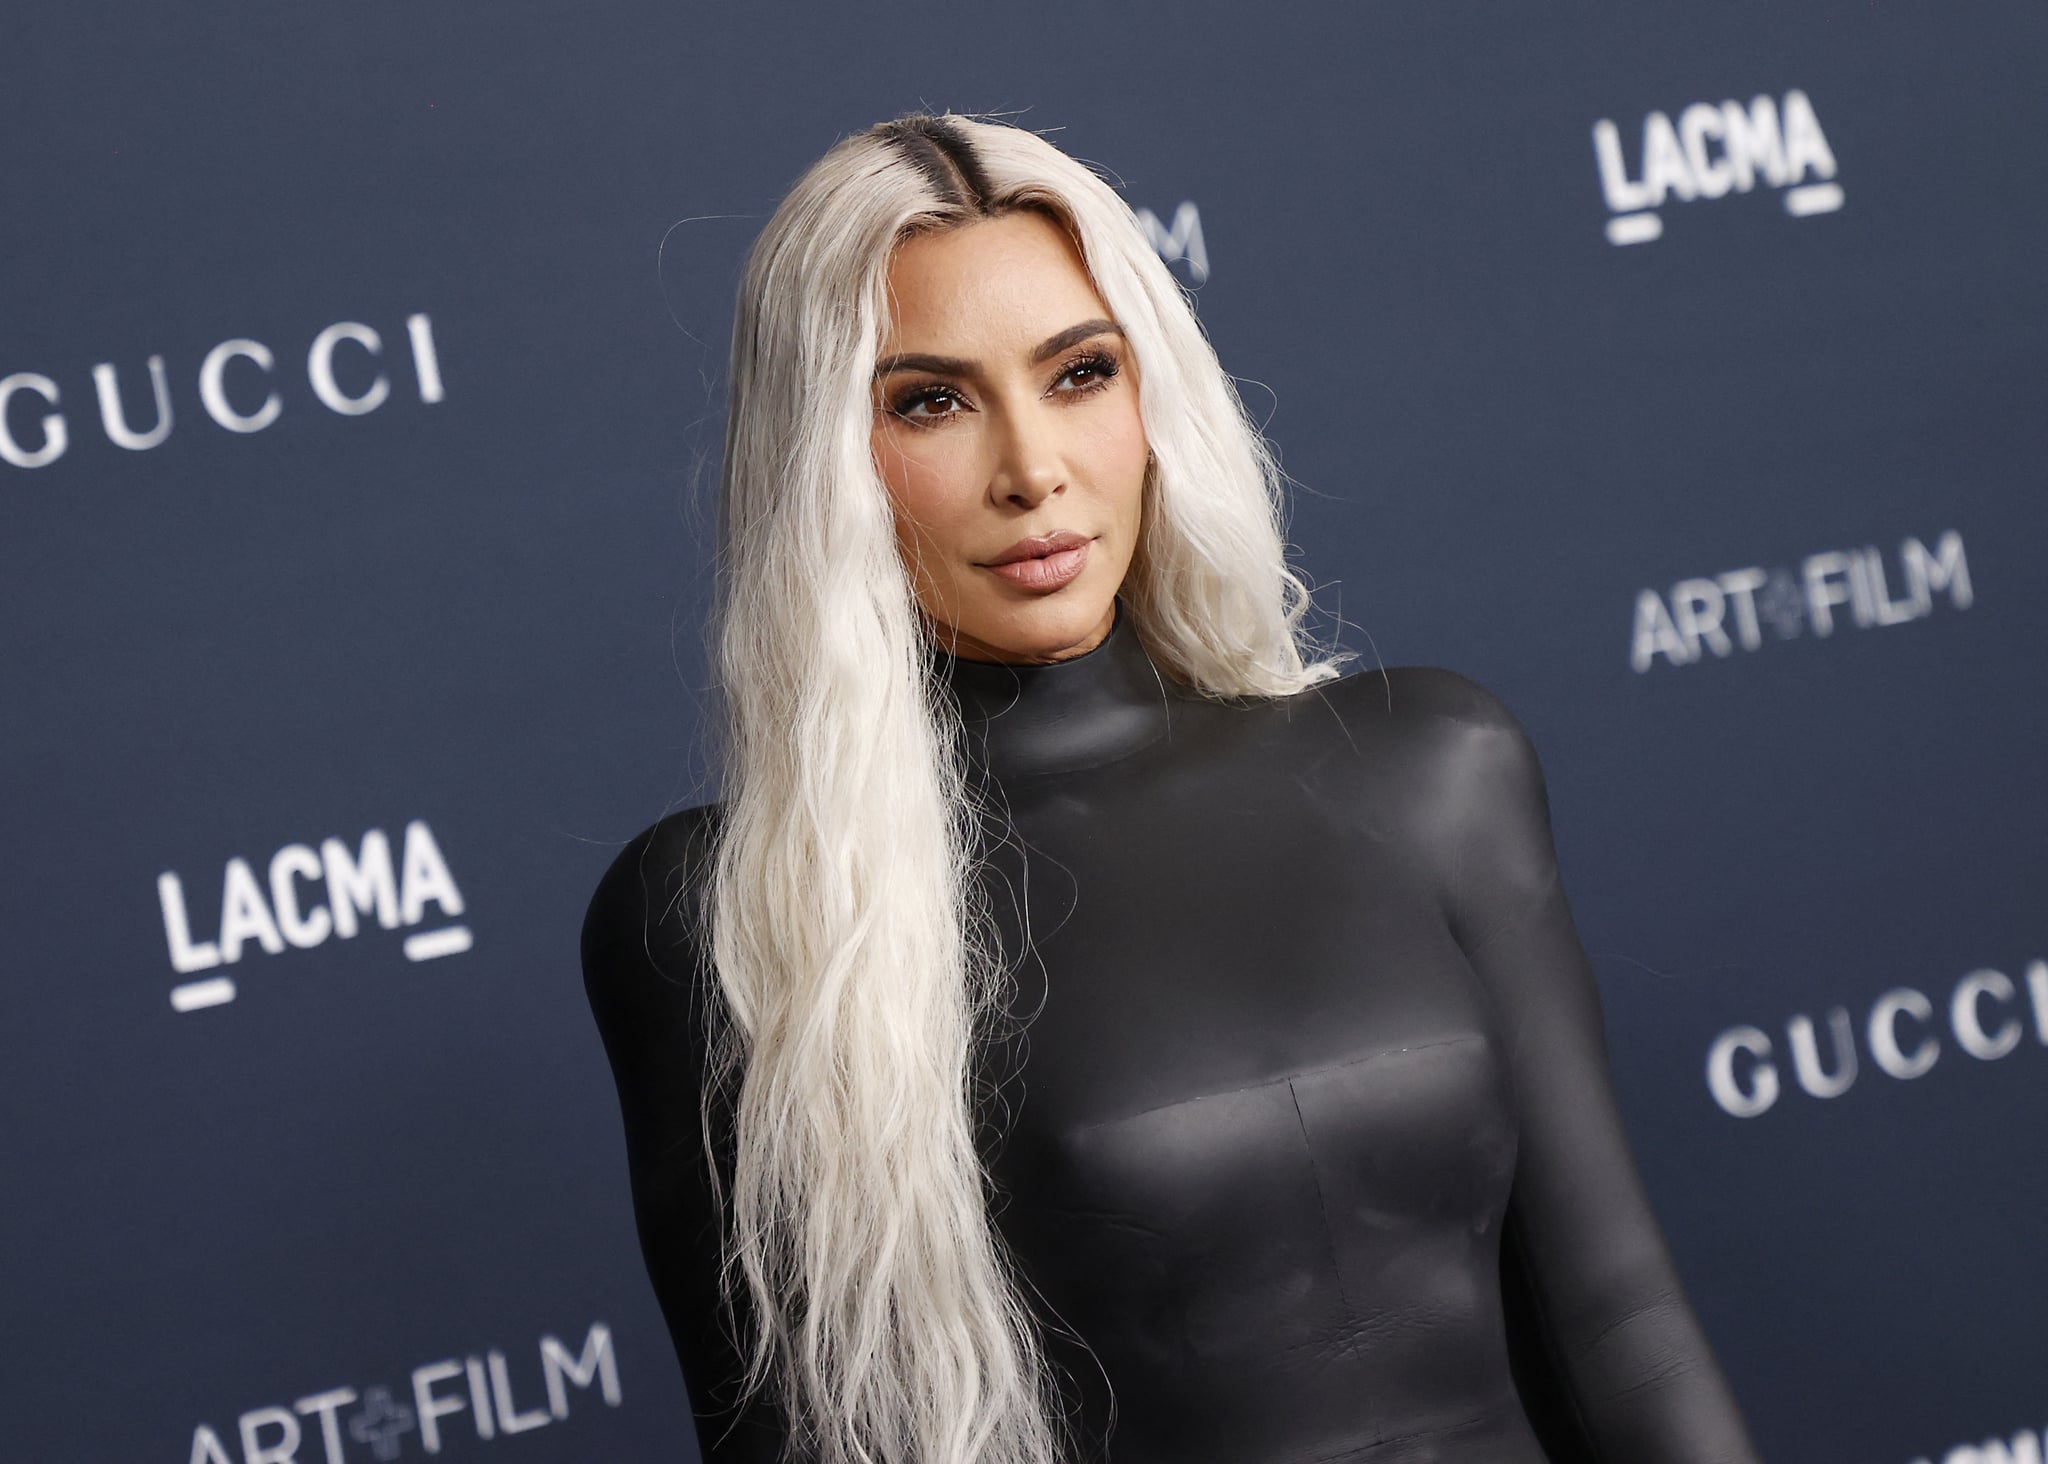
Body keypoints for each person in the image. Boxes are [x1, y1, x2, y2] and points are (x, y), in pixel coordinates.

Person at [581, 111, 1763, 1464]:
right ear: (824, 463)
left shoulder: (1432, 767)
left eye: (1078, 374)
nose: (1033, 472)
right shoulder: (725, 920)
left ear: (1155, 396)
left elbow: (1624, 1326)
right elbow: (789, 1440)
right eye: (931, 401)